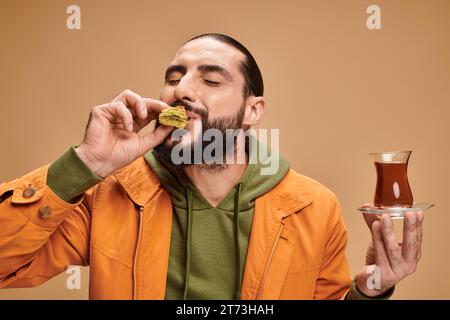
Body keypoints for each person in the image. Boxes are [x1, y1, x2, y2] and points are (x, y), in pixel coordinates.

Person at [0, 33, 423, 300]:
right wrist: (86, 163)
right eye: (174, 76)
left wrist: (370, 291)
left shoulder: (314, 206)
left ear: (253, 110)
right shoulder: (110, 195)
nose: (182, 89)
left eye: (211, 79)